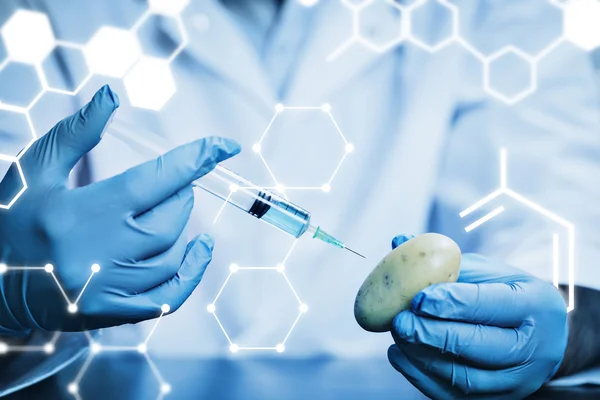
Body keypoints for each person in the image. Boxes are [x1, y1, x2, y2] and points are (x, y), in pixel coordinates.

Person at [1, 0, 599, 398]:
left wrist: (557, 321)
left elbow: (573, 236)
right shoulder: (34, 16)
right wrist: (8, 287)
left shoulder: (501, 14)